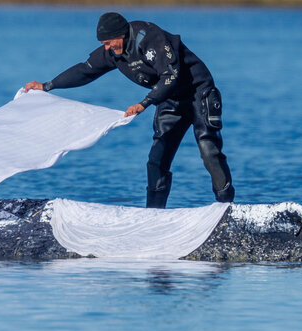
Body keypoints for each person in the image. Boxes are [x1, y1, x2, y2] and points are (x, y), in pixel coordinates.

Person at [24, 12, 234, 208]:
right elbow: (84, 71)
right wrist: (47, 85)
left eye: (108, 42)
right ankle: (153, 215)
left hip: (198, 92)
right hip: (169, 99)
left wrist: (144, 103)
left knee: (209, 149)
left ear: (121, 35)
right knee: (156, 159)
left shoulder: (150, 38)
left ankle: (225, 208)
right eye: (102, 44)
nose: (105, 48)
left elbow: (171, 75)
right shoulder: (114, 52)